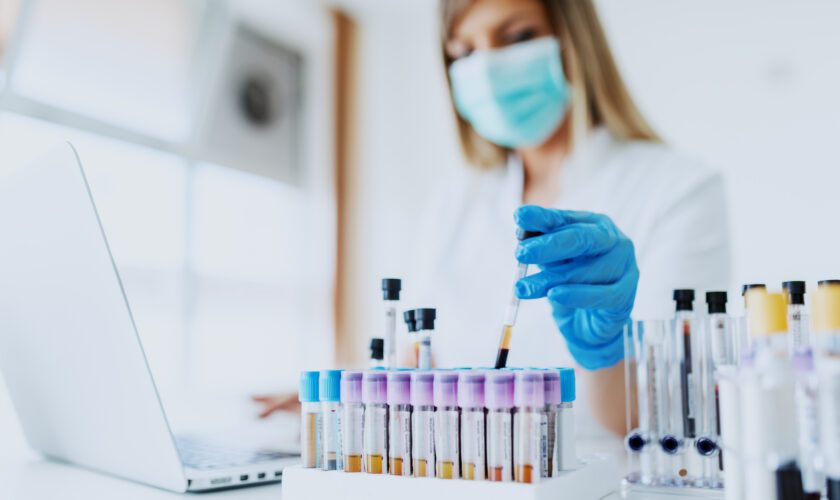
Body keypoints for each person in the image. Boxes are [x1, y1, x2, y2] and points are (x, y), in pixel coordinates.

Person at [256, 0, 730, 437]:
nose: (486, 68)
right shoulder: (454, 202)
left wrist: (603, 353)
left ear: (574, 39)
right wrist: (340, 400)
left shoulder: (678, 189)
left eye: (518, 36)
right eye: (464, 50)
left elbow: (663, 417)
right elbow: (417, 360)